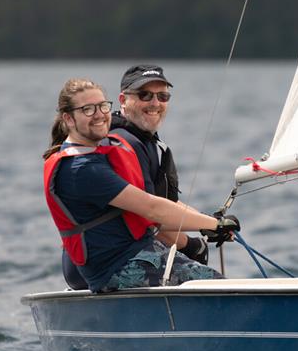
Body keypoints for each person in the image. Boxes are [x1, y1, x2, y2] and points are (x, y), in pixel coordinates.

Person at [43, 78, 239, 292]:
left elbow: (159, 202)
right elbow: (152, 209)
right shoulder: (81, 169)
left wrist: (210, 221)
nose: (99, 114)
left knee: (216, 282)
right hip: (118, 267)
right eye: (88, 109)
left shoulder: (98, 153)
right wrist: (214, 226)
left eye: (102, 106)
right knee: (219, 287)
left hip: (138, 255)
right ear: (69, 118)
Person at [62, 64, 206, 289]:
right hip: (111, 265)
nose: (155, 103)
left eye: (163, 96)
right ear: (123, 99)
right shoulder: (122, 144)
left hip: (113, 261)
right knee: (215, 284)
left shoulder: (145, 142)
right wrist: (191, 243)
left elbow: (165, 203)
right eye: (144, 95)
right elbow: (150, 215)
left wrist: (211, 223)